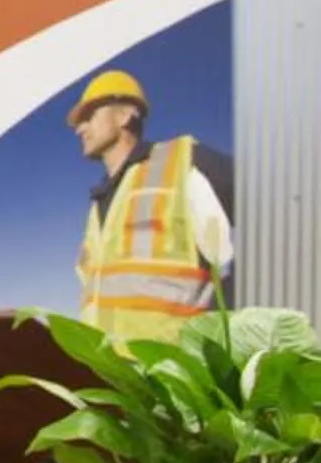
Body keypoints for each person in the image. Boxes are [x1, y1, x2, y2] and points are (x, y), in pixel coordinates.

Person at [67, 69, 235, 343]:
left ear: (125, 115)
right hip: (109, 366)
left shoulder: (182, 161)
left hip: (175, 364)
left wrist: (232, 313)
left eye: (89, 116)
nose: (80, 129)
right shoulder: (99, 205)